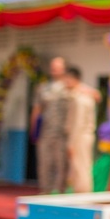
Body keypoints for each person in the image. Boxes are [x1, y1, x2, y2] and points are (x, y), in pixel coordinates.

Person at [30, 57, 72, 193]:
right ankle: (45, 193)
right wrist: (33, 131)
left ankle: (60, 195)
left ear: (64, 69)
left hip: (63, 134)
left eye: (58, 67)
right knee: (45, 165)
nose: (55, 69)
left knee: (62, 166)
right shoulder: (43, 88)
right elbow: (37, 110)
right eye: (53, 66)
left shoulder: (70, 86)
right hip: (45, 133)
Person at [64, 66, 96, 193]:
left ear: (74, 79)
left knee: (80, 169)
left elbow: (77, 123)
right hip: (81, 136)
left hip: (80, 136)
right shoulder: (79, 95)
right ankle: (81, 196)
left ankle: (83, 199)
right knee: (78, 169)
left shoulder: (80, 99)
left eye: (67, 79)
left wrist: (71, 143)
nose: (65, 82)